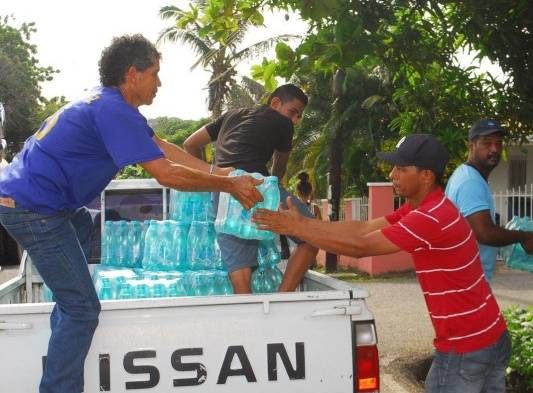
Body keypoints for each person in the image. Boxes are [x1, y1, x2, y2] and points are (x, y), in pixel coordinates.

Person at [0, 34, 262, 393]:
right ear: (132, 74)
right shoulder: (113, 111)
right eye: (155, 73)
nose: (159, 82)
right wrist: (229, 187)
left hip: (46, 206)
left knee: (79, 230)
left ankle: (65, 317)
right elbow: (168, 174)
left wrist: (223, 174)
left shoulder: (111, 106)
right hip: (32, 209)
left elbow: (163, 149)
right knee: (81, 309)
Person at [254, 134, 511, 393]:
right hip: (489, 334)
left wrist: (299, 229)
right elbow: (363, 229)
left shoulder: (431, 217)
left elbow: (361, 247)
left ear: (426, 176)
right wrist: (304, 224)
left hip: (466, 348)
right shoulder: (421, 208)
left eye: (401, 168)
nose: (392, 174)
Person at [184, 84, 318, 293]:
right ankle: (282, 299)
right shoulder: (283, 123)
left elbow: (190, 143)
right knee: (313, 234)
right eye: (293, 112)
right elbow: (278, 170)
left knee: (241, 276)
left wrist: (209, 178)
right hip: (257, 188)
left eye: (299, 116)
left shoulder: (231, 115)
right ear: (275, 103)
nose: (295, 120)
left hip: (224, 192)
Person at [445, 119, 533, 282]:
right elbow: (485, 233)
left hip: (467, 279)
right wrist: (524, 237)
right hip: (468, 282)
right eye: (487, 143)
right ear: (471, 146)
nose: (494, 149)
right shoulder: (470, 182)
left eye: (498, 144)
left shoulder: (468, 176)